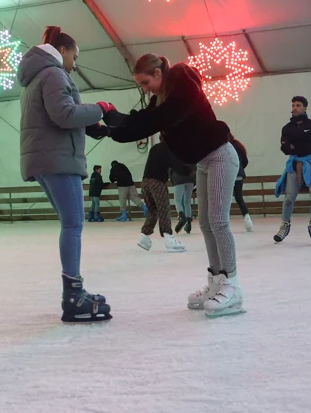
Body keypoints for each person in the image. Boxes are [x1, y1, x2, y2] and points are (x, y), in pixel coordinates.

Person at [99, 53, 243, 318]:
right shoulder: (161, 100)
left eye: (145, 82)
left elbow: (160, 117)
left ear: (157, 73)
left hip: (221, 155)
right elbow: (143, 126)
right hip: (203, 162)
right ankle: (216, 282)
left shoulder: (182, 77)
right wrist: (109, 130)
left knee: (219, 221)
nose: (145, 89)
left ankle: (232, 285)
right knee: (207, 223)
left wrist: (119, 119)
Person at [18, 26, 111, 323]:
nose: (75, 63)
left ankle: (73, 294)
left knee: (70, 224)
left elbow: (58, 115)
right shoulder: (55, 74)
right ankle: (73, 297)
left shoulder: (35, 78)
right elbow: (64, 114)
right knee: (73, 225)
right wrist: (100, 108)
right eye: (75, 56)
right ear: (64, 50)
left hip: (44, 159)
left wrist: (91, 124)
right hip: (58, 160)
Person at [275, 96, 311, 244]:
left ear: (305, 108)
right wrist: (293, 147)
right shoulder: (286, 128)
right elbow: (284, 147)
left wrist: (294, 147)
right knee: (288, 198)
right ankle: (285, 224)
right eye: (293, 105)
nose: (295, 108)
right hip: (294, 165)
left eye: (298, 105)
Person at [135, 142, 186, 253]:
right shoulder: (168, 148)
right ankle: (169, 240)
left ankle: (144, 236)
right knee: (164, 209)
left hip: (145, 182)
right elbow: (179, 167)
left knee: (153, 211)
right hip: (157, 182)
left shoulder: (155, 148)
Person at [229, 135, 254, 232]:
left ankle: (224, 222)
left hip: (228, 175)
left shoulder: (226, 147)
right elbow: (245, 161)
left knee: (226, 199)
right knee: (239, 198)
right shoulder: (239, 146)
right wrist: (240, 169)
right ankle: (248, 220)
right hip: (238, 175)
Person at [170, 162, 195, 234]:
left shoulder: (174, 155)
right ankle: (188, 223)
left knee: (177, 200)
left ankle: (181, 217)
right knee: (187, 202)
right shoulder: (190, 155)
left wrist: (173, 181)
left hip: (178, 178)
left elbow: (170, 169)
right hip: (190, 179)